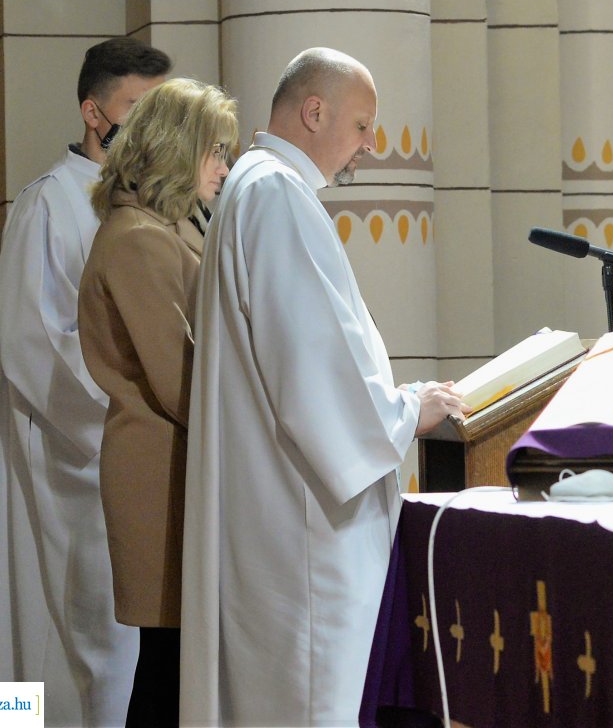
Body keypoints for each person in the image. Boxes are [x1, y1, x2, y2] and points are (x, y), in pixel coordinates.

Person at [180, 48, 463, 726]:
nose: (370, 145)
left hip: (275, 513)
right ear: (315, 111)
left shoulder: (255, 187)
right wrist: (408, 411)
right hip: (304, 525)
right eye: (363, 125)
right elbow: (314, 373)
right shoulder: (275, 194)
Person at [0, 37, 170, 725]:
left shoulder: (157, 207)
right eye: (136, 109)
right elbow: (34, 342)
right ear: (95, 113)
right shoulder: (48, 204)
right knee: (89, 641)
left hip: (140, 454)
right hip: (80, 458)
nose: (151, 128)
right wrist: (125, 415)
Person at [78, 79, 238, 726]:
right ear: (176, 150)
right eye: (215, 152)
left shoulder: (159, 227)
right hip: (160, 474)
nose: (225, 168)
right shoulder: (139, 238)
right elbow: (180, 380)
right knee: (167, 664)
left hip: (173, 464)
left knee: (173, 662)